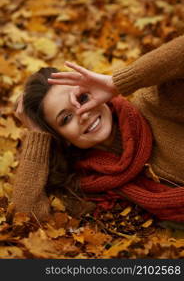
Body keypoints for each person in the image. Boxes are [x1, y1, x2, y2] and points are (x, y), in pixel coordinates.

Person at [13, 35, 184, 222]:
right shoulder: (87, 182)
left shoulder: (153, 103)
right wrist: (37, 134)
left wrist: (117, 82)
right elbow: (27, 219)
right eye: (66, 118)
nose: (83, 114)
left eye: (83, 98)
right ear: (61, 138)